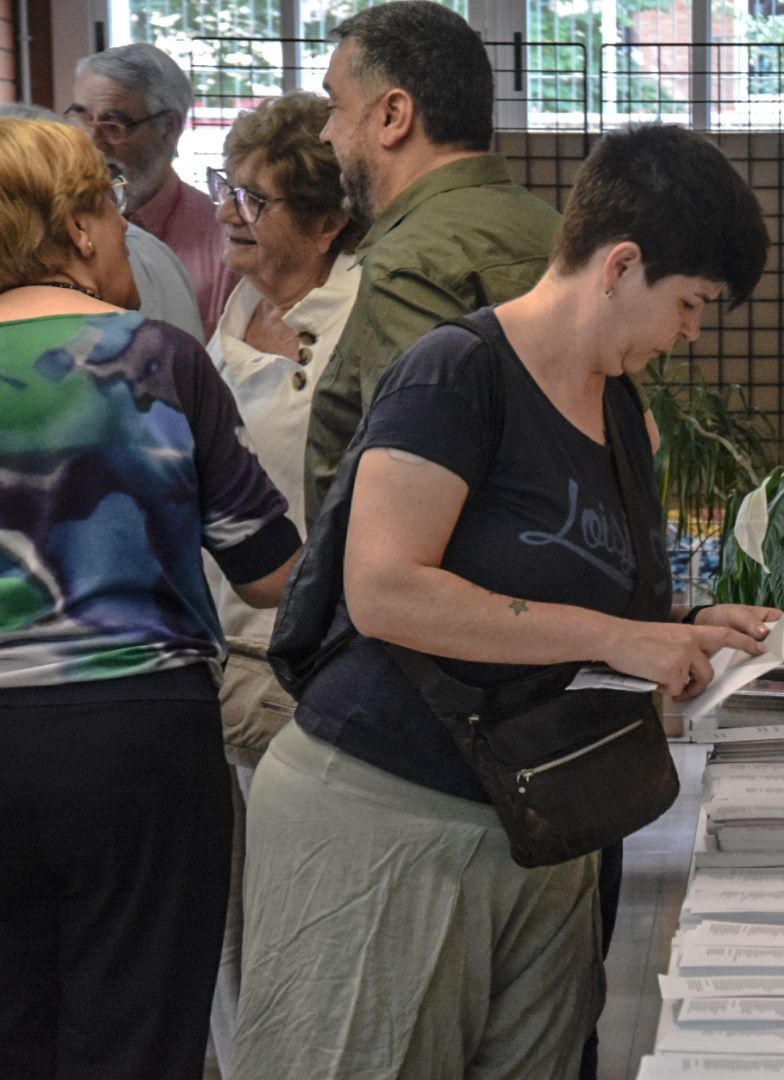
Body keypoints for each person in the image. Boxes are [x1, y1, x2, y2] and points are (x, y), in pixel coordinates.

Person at [233, 124, 778, 1080]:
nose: (691, 331)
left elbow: (564, 587)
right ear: (621, 266)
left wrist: (685, 630)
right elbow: (386, 589)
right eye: (690, 302)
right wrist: (618, 635)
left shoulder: (623, 413)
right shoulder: (458, 372)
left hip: (539, 815)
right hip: (388, 808)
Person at [0, 117, 301, 1080]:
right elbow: (267, 570)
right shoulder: (161, 359)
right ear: (78, 228)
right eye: (114, 207)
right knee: (136, 1034)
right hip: (138, 738)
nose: (128, 233)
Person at [200, 90, 363, 1077]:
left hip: (295, 662)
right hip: (213, 651)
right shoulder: (235, 302)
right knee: (225, 925)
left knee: (298, 922)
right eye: (224, 187)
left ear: (328, 220)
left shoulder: (355, 323)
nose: (226, 212)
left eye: (253, 200)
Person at [304, 0, 563, 521]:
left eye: (335, 106)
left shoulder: (411, 261)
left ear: (393, 116)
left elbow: (413, 494)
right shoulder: (557, 232)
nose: (326, 133)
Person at [0, 100, 206, 342]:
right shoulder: (155, 350)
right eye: (106, 197)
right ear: (78, 226)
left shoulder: (141, 252)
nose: (123, 223)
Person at [68, 43, 236, 335]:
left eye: (113, 125)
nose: (92, 143)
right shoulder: (53, 226)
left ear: (169, 127)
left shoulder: (223, 242)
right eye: (81, 119)